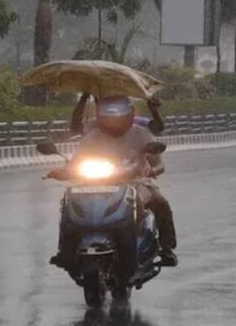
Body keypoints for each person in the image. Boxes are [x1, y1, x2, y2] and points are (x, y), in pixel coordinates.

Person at [52, 95, 178, 268]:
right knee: (68, 205)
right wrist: (63, 171)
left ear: (130, 114)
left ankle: (167, 248)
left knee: (160, 203)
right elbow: (76, 161)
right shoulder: (92, 135)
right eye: (109, 114)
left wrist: (152, 170)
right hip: (95, 184)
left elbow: (159, 164)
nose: (114, 120)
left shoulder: (141, 133)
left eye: (119, 114)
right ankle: (65, 251)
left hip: (136, 182)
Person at [70, 93, 165, 137]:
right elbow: (76, 128)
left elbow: (158, 128)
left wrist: (154, 112)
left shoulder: (135, 123)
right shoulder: (95, 124)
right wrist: (84, 98)